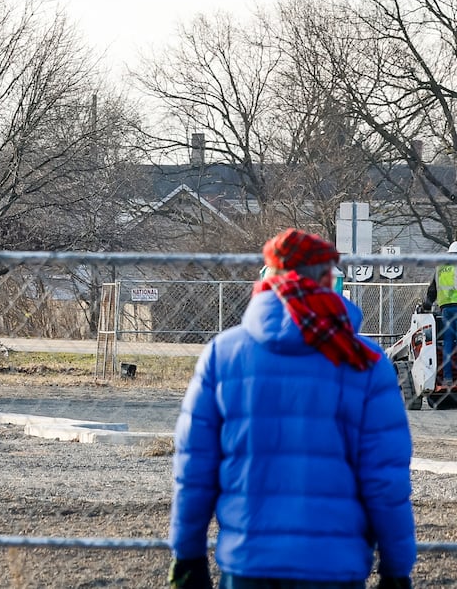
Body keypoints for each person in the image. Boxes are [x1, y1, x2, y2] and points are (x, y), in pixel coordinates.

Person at [169, 228, 414, 589]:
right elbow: (385, 479)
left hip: (248, 561)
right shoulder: (363, 361)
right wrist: (396, 568)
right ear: (330, 280)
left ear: (267, 278)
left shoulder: (223, 355)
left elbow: (194, 469)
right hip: (335, 566)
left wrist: (187, 554)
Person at [422, 242, 457, 388]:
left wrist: (427, 304)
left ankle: (448, 378)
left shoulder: (440, 268)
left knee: (448, 342)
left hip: (445, 309)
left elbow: (432, 289)